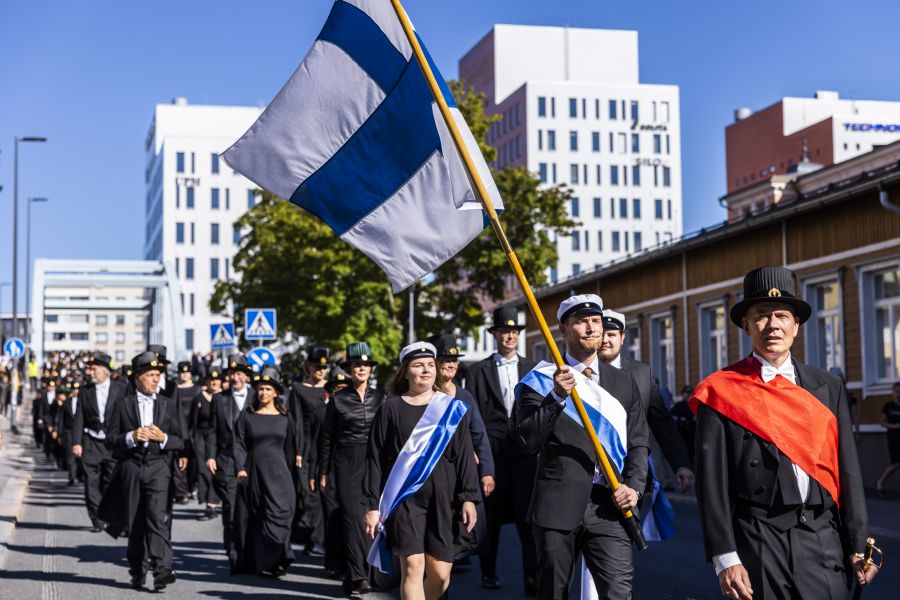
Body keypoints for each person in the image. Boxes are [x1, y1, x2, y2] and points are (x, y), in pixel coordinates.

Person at [691, 266, 875, 599]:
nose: (773, 325)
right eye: (761, 315)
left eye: (782, 315)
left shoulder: (827, 386)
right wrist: (725, 558)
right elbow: (711, 485)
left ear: (796, 325)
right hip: (758, 537)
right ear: (746, 325)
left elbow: (848, 470)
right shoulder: (720, 391)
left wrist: (861, 543)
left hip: (821, 535)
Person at [516, 294, 649, 600]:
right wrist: (556, 398)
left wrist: (635, 487)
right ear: (563, 330)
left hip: (610, 505)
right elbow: (526, 439)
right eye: (580, 322)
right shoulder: (541, 379)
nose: (591, 328)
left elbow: (639, 442)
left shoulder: (623, 382)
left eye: (595, 321)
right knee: (553, 593)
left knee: (618, 592)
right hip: (557, 506)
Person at [365, 342, 480, 600]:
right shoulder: (390, 408)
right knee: (413, 568)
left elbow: (464, 456)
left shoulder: (450, 408)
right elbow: (374, 458)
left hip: (444, 499)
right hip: (405, 499)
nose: (426, 371)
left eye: (430, 365)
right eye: (418, 366)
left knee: (440, 574)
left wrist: (469, 497)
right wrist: (372, 505)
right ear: (405, 372)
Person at [464, 306, 537, 593]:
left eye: (514, 332)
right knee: (490, 516)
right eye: (504, 331)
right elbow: (472, 413)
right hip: (492, 450)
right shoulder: (477, 370)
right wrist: (474, 449)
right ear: (495, 335)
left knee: (527, 516)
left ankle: (531, 577)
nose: (509, 336)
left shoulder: (532, 368)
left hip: (524, 451)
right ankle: (488, 572)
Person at [100, 351, 184, 590]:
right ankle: (138, 570)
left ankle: (162, 569)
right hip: (132, 466)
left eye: (158, 375)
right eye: (151, 375)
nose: (156, 380)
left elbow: (182, 441)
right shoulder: (122, 405)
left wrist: (164, 438)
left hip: (158, 467)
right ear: (138, 377)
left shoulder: (167, 404)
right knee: (136, 521)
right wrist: (131, 436)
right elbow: (110, 441)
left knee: (157, 517)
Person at [599, 309, 694, 492]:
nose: (605, 340)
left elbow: (662, 422)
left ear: (623, 337)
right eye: (601, 334)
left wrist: (681, 464)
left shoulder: (641, 373)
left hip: (636, 475)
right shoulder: (583, 372)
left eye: (611, 334)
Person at [320, 342, 386, 597]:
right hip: (346, 462)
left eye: (365, 365)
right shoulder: (337, 399)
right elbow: (327, 439)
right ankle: (356, 577)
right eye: (357, 365)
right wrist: (323, 472)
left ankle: (371, 572)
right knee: (351, 519)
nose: (361, 369)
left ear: (370, 370)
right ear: (349, 369)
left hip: (375, 462)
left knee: (373, 518)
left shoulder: (381, 396)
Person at [427, 332, 494, 562]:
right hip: (432, 473)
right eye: (445, 360)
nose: (451, 365)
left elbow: (479, 434)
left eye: (454, 360)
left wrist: (486, 471)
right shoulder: (425, 396)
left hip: (462, 473)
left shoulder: (465, 396)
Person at [232, 366, 296, 576]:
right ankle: (266, 562)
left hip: (280, 475)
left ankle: (280, 554)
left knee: (281, 514)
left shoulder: (286, 418)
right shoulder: (248, 416)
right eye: (261, 389)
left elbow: (290, 449)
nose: (264, 393)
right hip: (255, 474)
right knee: (259, 518)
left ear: (276, 392)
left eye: (268, 389)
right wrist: (240, 469)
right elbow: (239, 444)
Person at [206, 353, 255, 561]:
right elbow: (212, 431)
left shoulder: (257, 396)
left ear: (246, 376)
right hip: (225, 460)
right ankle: (233, 550)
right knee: (231, 507)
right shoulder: (219, 399)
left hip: (253, 461)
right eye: (232, 374)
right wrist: (210, 455)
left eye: (239, 373)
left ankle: (251, 549)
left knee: (253, 507)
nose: (235, 378)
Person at [72, 352, 128, 532]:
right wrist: (76, 442)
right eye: (90, 369)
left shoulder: (121, 388)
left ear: (105, 371)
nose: (91, 372)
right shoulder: (85, 390)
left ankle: (110, 515)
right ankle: (97, 519)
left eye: (94, 369)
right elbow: (79, 417)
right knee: (91, 482)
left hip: (113, 443)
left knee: (111, 481)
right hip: (91, 442)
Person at [287, 343, 329, 555]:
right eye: (316, 367)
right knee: (309, 494)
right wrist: (298, 451)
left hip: (328, 446)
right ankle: (312, 536)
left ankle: (319, 538)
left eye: (323, 367)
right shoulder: (299, 389)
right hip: (307, 445)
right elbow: (296, 422)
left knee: (325, 492)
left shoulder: (332, 388)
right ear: (308, 367)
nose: (320, 371)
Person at [191, 369, 223, 520]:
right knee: (204, 471)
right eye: (211, 380)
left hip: (219, 438)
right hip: (201, 437)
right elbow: (193, 421)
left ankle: (214, 502)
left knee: (216, 470)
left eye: (217, 380)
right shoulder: (199, 398)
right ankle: (208, 504)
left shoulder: (225, 397)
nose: (214, 383)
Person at [176, 360, 201, 502]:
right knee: (180, 462)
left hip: (193, 429)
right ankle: (182, 491)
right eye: (182, 372)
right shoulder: (175, 389)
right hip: (179, 429)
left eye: (187, 372)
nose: (184, 375)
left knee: (193, 461)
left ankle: (193, 486)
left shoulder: (197, 389)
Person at [877, 381, 900, 497]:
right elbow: (882, 422)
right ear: (893, 393)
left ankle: (881, 483)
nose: (898, 394)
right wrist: (894, 426)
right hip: (893, 437)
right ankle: (881, 482)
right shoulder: (889, 406)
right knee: (896, 463)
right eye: (896, 392)